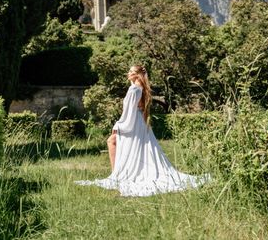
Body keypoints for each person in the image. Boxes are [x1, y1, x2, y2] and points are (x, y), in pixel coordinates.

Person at [75, 65, 210, 197]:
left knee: (111, 141)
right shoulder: (140, 89)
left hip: (133, 122)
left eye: (130, 71)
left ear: (136, 74)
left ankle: (117, 175)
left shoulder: (134, 90)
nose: (128, 74)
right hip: (139, 123)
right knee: (127, 146)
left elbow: (129, 112)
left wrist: (118, 125)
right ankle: (118, 174)